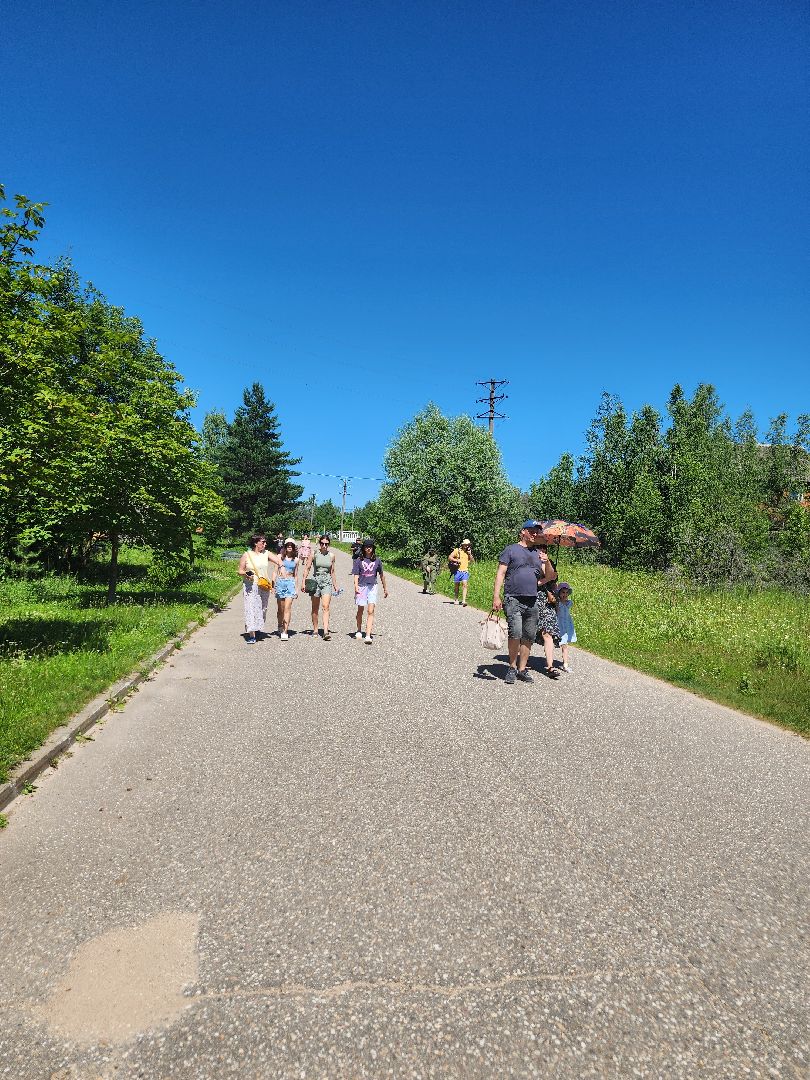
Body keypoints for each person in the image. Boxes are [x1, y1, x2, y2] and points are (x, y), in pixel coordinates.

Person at [492, 522, 544, 684]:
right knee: (515, 633)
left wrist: (547, 562)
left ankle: (522, 669)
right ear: (523, 532)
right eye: (532, 531)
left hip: (532, 600)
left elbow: (549, 576)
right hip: (513, 598)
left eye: (536, 532)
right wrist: (496, 596)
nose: (535, 534)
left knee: (529, 635)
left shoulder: (539, 553)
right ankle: (512, 667)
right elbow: (501, 573)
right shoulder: (511, 550)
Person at [238, 534, 281, 644]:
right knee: (251, 608)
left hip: (264, 585)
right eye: (263, 542)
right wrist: (246, 574)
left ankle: (257, 628)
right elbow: (240, 571)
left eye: (265, 542)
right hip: (251, 585)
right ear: (255, 543)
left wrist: (281, 568)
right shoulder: (247, 555)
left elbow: (278, 561)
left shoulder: (266, 553)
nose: (265, 544)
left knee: (263, 608)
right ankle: (251, 634)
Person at [352, 539, 388, 643]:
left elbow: (381, 575)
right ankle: (359, 630)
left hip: (372, 587)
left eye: (370, 547)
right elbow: (356, 574)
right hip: (362, 586)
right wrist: (356, 586)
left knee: (371, 611)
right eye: (367, 547)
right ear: (363, 548)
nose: (369, 548)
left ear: (373, 548)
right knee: (360, 609)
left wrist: (385, 588)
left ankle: (368, 635)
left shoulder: (377, 560)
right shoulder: (359, 560)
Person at [303, 534, 338, 640]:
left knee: (326, 606)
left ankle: (326, 631)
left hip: (326, 583)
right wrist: (303, 582)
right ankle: (315, 629)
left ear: (329, 544)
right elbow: (307, 568)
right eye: (322, 543)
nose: (324, 546)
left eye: (326, 544)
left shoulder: (331, 556)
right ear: (319, 543)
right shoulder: (314, 554)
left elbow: (332, 571)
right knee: (315, 608)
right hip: (315, 582)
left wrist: (335, 585)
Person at [535, 543, 561, 678]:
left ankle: (550, 667)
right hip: (533, 599)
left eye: (544, 548)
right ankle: (521, 661)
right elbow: (530, 582)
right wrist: (546, 579)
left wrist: (547, 563)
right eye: (539, 548)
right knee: (527, 632)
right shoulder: (530, 562)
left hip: (547, 601)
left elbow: (553, 577)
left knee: (548, 633)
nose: (542, 550)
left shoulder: (549, 561)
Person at [274, 539, 298, 640]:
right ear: (285, 546)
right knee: (281, 609)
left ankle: (285, 631)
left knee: (287, 608)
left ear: (294, 547)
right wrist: (273, 584)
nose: (289, 547)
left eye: (291, 545)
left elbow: (296, 575)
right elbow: (275, 571)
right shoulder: (279, 557)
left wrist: (296, 588)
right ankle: (280, 624)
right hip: (280, 582)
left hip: (290, 583)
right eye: (288, 545)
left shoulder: (296, 560)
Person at [555, 582, 576, 672]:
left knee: (565, 645)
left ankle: (565, 664)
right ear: (559, 593)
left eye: (567, 593)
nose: (565, 594)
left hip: (566, 626)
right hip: (558, 625)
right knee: (554, 643)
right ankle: (549, 661)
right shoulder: (557, 603)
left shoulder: (568, 603)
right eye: (563, 592)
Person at [449, 539, 474, 606]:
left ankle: (463, 601)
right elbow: (450, 557)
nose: (467, 546)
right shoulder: (457, 550)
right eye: (465, 544)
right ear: (462, 544)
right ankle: (456, 599)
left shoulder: (468, 552)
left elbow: (472, 561)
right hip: (457, 570)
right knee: (457, 585)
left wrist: (470, 554)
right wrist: (456, 560)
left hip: (465, 571)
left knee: (465, 584)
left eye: (468, 544)